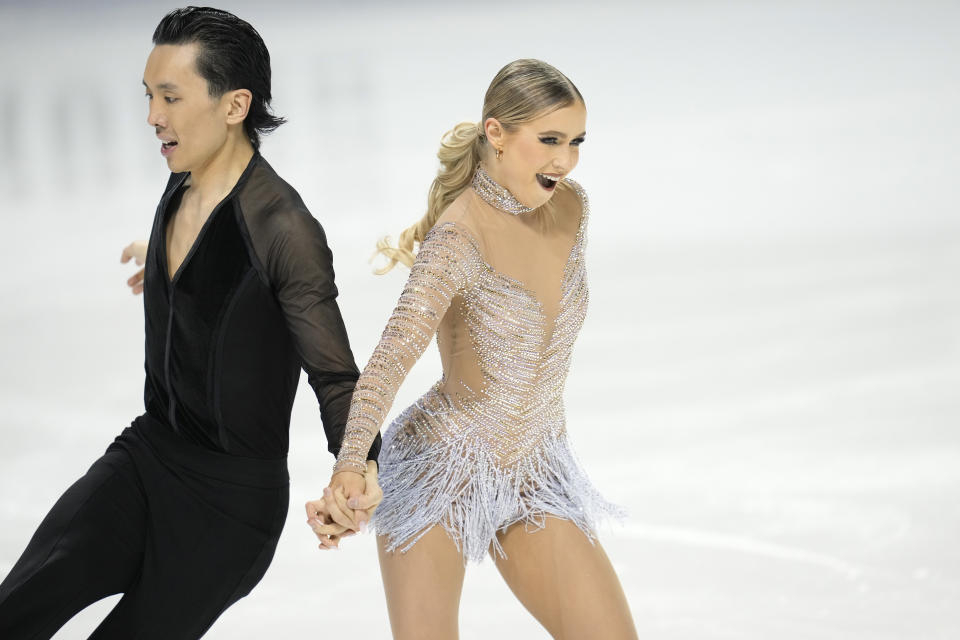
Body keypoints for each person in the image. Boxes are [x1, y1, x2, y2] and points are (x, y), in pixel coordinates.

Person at [0, 7, 380, 638]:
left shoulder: (286, 230)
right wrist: (173, 270)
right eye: (150, 96)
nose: (153, 116)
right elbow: (221, 268)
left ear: (235, 106)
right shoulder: (183, 182)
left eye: (171, 97)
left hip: (226, 513)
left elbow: (337, 376)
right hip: (145, 459)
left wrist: (355, 467)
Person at [307, 59, 638, 639]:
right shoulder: (460, 233)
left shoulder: (573, 208)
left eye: (576, 142)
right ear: (497, 134)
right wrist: (351, 465)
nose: (565, 160)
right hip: (440, 472)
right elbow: (390, 357)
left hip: (536, 470)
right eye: (550, 140)